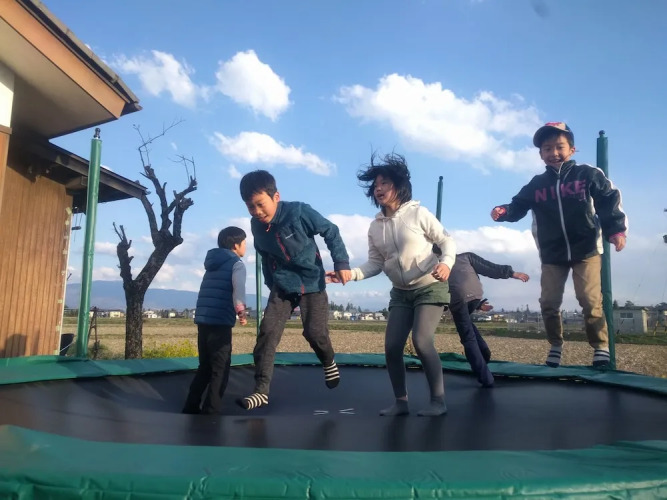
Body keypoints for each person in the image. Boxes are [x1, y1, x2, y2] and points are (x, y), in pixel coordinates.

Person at [491, 122, 627, 368]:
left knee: (589, 299)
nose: (553, 152)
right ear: (540, 154)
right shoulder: (537, 184)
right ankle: (555, 344)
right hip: (552, 252)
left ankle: (600, 347)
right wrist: (504, 211)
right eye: (547, 148)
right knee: (549, 302)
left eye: (559, 147)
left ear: (572, 149)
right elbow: (518, 206)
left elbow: (608, 199)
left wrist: (616, 229)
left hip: (586, 249)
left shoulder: (587, 174)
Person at [330, 153, 456, 416]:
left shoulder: (418, 213)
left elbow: (446, 241)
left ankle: (438, 401)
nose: (378, 188)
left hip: (429, 286)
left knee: (421, 341)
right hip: (400, 292)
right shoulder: (375, 227)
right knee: (392, 346)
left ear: (398, 186)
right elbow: (375, 263)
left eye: (384, 183)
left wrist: (446, 263)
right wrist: (349, 274)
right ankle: (401, 402)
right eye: (376, 185)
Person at [237, 170, 352, 410]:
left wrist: (341, 263)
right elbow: (265, 256)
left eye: (260, 204)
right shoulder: (256, 226)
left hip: (312, 282)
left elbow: (330, 230)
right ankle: (261, 391)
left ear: (276, 197)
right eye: (250, 207)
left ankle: (328, 361)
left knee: (314, 333)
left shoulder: (298, 211)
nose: (257, 211)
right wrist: (271, 284)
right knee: (267, 333)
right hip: (282, 285)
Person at [182, 226, 248, 415]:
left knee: (205, 366)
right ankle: (211, 410)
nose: (246, 247)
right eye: (244, 243)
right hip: (220, 321)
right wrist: (241, 312)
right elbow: (238, 289)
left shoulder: (212, 263)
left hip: (204, 319)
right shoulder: (237, 264)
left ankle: (190, 406)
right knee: (220, 368)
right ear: (236, 245)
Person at [448, 252, 529, 387]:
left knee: (468, 337)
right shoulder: (466, 257)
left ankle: (485, 377)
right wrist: (512, 273)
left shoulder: (436, 265)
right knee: (467, 324)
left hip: (457, 300)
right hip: (475, 295)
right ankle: (484, 352)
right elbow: (489, 268)